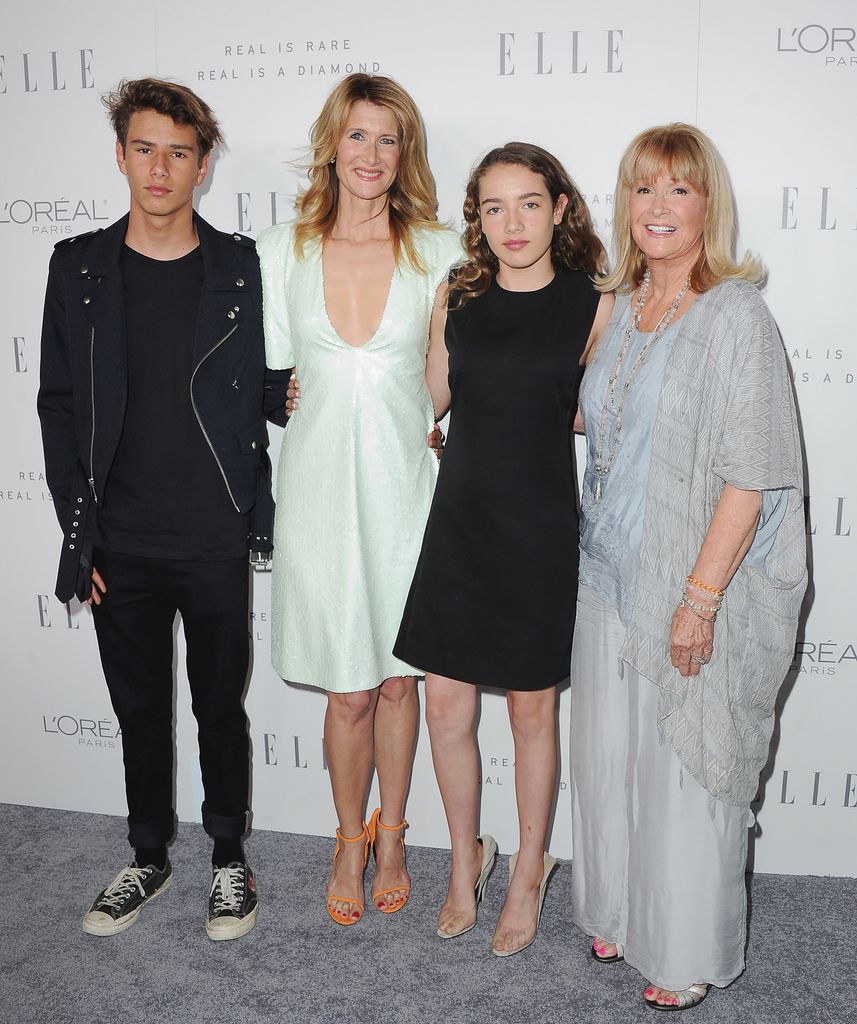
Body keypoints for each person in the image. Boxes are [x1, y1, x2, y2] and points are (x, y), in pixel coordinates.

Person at [37, 78, 289, 940]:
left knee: (219, 707)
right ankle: (147, 854)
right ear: (120, 155)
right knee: (138, 709)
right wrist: (82, 534)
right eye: (144, 148)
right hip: (122, 540)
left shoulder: (241, 267)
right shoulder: (77, 266)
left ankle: (228, 859)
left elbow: (273, 387)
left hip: (214, 531)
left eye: (179, 152)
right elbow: (58, 404)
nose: (160, 167)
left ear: (203, 165)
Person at [569, 123, 807, 1009]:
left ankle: (686, 946)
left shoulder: (735, 317)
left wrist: (698, 601)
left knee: (684, 765)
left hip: (690, 584)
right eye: (641, 189)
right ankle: (623, 911)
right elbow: (601, 420)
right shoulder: (619, 306)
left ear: (708, 204)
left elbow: (751, 473)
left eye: (677, 189)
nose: (657, 207)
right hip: (604, 574)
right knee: (614, 757)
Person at [394, 143, 613, 956]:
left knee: (529, 710)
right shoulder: (459, 290)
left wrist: (537, 414)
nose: (511, 222)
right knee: (445, 704)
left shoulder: (595, 303)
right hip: (459, 524)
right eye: (493, 207)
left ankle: (528, 871)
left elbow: (602, 414)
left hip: (538, 530)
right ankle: (464, 861)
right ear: (475, 219)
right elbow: (432, 396)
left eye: (528, 203)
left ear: (560, 208)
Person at [256, 73, 461, 926]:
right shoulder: (280, 250)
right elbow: (268, 378)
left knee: (396, 685)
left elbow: (450, 379)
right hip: (315, 498)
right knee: (347, 689)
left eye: (388, 138)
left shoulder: (441, 251)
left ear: (403, 151)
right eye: (357, 136)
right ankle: (348, 836)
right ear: (331, 145)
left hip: (404, 493)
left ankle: (393, 836)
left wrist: (441, 421)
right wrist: (283, 399)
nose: (371, 154)